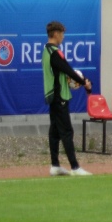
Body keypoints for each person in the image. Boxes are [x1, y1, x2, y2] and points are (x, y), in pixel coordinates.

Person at [43, 20, 93, 176]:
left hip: (52, 96)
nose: (63, 37)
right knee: (66, 131)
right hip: (59, 97)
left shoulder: (45, 50)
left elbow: (65, 72)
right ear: (56, 34)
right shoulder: (55, 53)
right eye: (62, 34)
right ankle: (75, 167)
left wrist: (79, 80)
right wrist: (84, 82)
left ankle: (55, 166)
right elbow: (69, 71)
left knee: (55, 132)